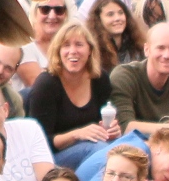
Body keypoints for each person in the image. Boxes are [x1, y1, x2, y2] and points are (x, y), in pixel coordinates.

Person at [24, 19, 117, 167]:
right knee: (104, 152)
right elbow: (39, 143)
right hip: (51, 159)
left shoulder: (100, 79)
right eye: (66, 45)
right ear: (58, 52)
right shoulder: (46, 85)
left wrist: (111, 130)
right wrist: (77, 134)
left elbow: (103, 124)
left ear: (90, 51)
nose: (73, 51)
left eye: (79, 44)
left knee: (131, 147)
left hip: (95, 150)